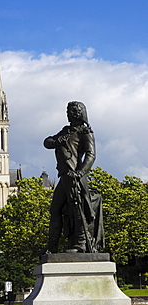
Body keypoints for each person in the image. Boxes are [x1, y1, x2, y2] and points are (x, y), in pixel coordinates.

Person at [40, 101, 99, 254]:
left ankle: (80, 244)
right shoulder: (66, 131)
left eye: (71, 111)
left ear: (78, 113)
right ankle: (51, 246)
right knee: (55, 209)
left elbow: (91, 155)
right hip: (64, 175)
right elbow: (47, 142)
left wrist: (81, 172)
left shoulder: (85, 132)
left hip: (74, 176)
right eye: (67, 111)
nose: (68, 113)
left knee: (76, 209)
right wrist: (56, 141)